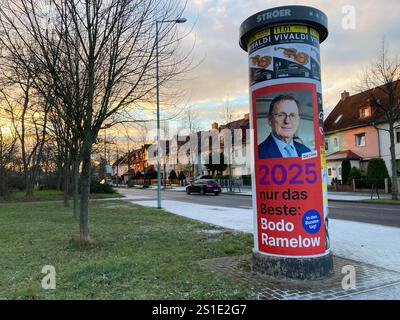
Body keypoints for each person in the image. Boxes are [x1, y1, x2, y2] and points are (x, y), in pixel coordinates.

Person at [258, 95, 311, 159]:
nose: (287, 121)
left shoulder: (306, 151)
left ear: (298, 120)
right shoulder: (258, 153)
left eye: (292, 115)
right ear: (269, 120)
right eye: (281, 115)